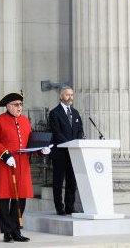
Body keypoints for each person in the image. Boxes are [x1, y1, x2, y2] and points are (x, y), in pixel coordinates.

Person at [0, 92, 50, 242]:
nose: (19, 107)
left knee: (20, 199)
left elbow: (30, 142)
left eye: (21, 104)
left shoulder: (26, 121)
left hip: (22, 165)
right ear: (8, 106)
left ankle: (16, 231)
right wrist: (5, 155)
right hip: (5, 165)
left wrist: (40, 150)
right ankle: (7, 232)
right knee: (4, 199)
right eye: (16, 105)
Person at [47, 85, 84, 215]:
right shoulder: (54, 113)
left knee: (72, 181)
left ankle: (70, 207)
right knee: (58, 181)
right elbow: (56, 132)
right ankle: (59, 208)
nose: (70, 97)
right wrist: (69, 143)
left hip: (74, 153)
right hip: (60, 153)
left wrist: (76, 143)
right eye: (67, 95)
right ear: (61, 96)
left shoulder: (75, 113)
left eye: (72, 95)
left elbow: (80, 131)